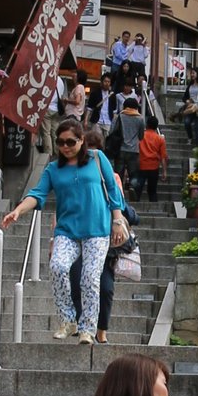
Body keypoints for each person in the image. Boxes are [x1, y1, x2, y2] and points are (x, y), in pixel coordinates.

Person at [1, 117, 126, 341]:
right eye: (60, 142)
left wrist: (117, 220)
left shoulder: (97, 159)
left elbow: (113, 191)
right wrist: (18, 210)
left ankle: (88, 328)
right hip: (67, 230)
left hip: (96, 230)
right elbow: (37, 193)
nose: (65, 147)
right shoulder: (52, 169)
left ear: (82, 140)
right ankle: (68, 319)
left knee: (89, 278)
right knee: (58, 267)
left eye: (71, 142)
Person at [73, 128, 124, 343]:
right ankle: (84, 324)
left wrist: (118, 221)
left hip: (104, 235)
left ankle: (101, 329)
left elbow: (119, 202)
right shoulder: (73, 171)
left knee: (104, 285)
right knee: (77, 280)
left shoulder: (110, 175)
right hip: (77, 235)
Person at [113, 98, 146, 188]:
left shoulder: (119, 116)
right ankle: (132, 188)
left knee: (118, 173)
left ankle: (118, 192)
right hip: (134, 150)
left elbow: (112, 131)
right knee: (133, 173)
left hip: (120, 149)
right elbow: (141, 136)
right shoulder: (140, 118)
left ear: (124, 106)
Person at [137, 116, 168, 203]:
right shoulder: (160, 139)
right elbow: (163, 156)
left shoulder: (141, 136)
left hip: (141, 165)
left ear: (146, 125)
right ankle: (154, 205)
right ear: (156, 126)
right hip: (154, 167)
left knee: (138, 189)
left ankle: (135, 204)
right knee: (152, 191)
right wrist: (164, 171)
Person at [181, 75, 198, 148]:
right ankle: (190, 137)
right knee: (187, 122)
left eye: (194, 73)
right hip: (190, 107)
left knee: (197, 127)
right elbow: (185, 96)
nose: (192, 75)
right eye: (191, 73)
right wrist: (186, 100)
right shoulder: (190, 86)